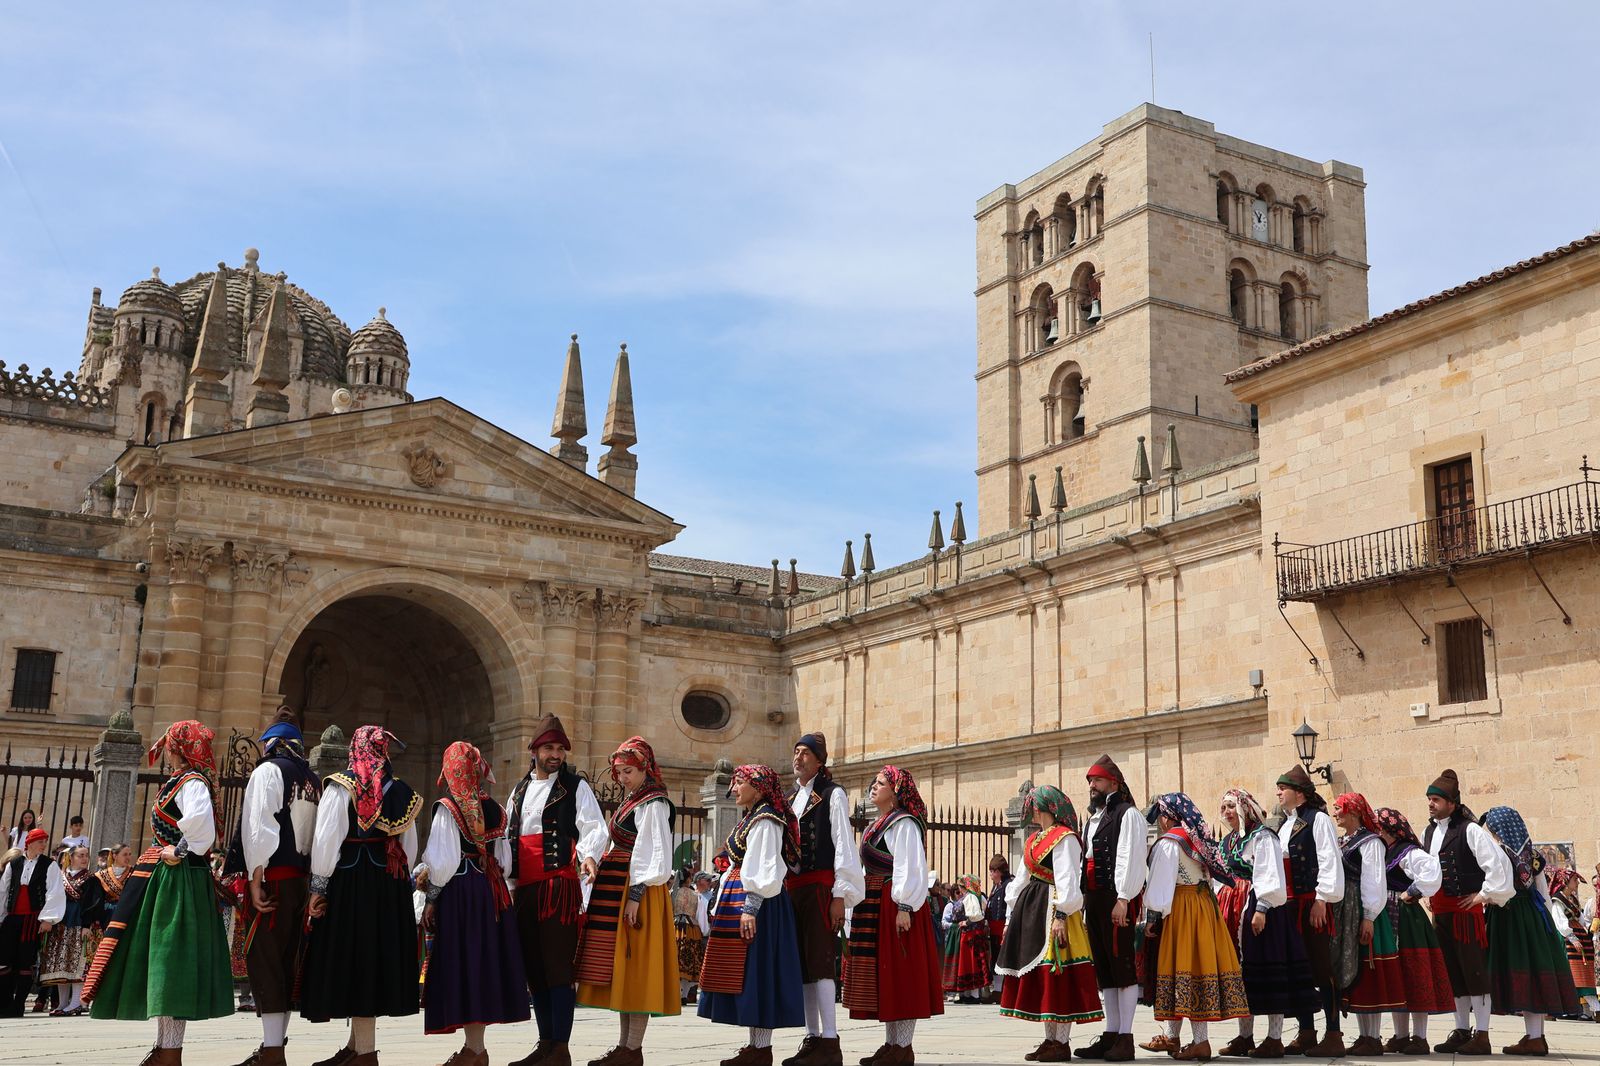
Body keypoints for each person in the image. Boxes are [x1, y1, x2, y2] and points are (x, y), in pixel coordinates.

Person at [83, 721, 233, 1065]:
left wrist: (177, 850)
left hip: (177, 881)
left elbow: (201, 826)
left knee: (172, 962)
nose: (165, 749)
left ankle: (170, 1053)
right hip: (168, 879)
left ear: (179, 747)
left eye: (169, 743)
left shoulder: (192, 782)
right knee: (164, 964)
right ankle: (165, 1049)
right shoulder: (182, 780)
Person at [300, 725, 421, 1066]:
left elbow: (326, 840)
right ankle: (356, 1048)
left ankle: (365, 1054)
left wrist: (318, 886)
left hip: (351, 884)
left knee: (358, 961)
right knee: (372, 962)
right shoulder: (400, 792)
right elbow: (409, 847)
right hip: (388, 886)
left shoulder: (341, 787)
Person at [502, 715, 606, 1066]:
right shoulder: (518, 790)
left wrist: (589, 856)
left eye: (560, 749)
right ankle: (545, 1044)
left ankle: (560, 1048)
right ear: (534, 750)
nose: (556, 754)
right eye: (549, 747)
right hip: (524, 890)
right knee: (535, 970)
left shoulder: (576, 787)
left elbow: (593, 826)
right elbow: (508, 839)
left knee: (557, 968)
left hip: (558, 887)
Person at [420, 740, 530, 1066]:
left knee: (464, 965)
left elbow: (442, 863)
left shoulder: (448, 807)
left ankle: (475, 1051)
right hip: (492, 893)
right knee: (482, 966)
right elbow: (506, 861)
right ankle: (475, 1048)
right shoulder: (495, 808)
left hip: (461, 894)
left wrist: (431, 899)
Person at [576, 736, 679, 1066]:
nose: (622, 778)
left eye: (628, 771)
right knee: (622, 971)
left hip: (639, 894)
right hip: (618, 890)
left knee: (636, 968)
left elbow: (654, 856)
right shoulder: (633, 800)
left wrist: (635, 896)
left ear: (645, 769)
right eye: (619, 772)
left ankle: (632, 1049)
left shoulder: (654, 803)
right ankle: (624, 1047)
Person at [699, 764, 806, 1066]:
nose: (733, 789)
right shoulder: (753, 817)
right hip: (750, 903)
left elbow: (765, 865)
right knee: (748, 976)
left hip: (760, 906)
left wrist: (750, 908)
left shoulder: (766, 820)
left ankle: (761, 1049)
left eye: (739, 783)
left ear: (758, 788)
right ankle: (755, 1047)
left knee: (759, 973)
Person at [230, 709, 321, 1066]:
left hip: (273, 880)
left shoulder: (269, 771)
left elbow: (259, 826)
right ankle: (275, 1045)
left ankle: (272, 1052)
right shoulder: (313, 778)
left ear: (271, 744)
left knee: (265, 959)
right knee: (285, 961)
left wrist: (255, 877)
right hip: (300, 879)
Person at [841, 765, 943, 1066]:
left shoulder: (904, 824)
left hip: (895, 906)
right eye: (874, 782)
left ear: (896, 792)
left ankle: (903, 1046)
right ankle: (891, 1044)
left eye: (881, 782)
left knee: (901, 972)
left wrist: (904, 907)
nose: (874, 786)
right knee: (885, 975)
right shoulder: (879, 823)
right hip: (875, 902)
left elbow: (909, 867)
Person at [993, 785, 1102, 1062]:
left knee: (1058, 975)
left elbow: (1068, 877)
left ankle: (1061, 1042)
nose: (1030, 809)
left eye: (1033, 805)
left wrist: (1062, 915)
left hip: (1055, 910)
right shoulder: (1033, 840)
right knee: (1044, 976)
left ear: (1041, 807)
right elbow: (1020, 881)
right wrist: (1009, 918)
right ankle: (1049, 1039)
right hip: (1033, 912)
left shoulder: (1065, 838)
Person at [1141, 793, 1249, 1061]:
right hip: (1203, 907)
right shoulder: (1198, 839)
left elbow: (1161, 884)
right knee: (1195, 969)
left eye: (1162, 816)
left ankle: (1199, 1042)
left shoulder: (1170, 843)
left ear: (1168, 817)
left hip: (1183, 908)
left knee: (1183, 970)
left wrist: (1152, 917)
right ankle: (1173, 1036)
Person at [782, 731, 864, 1066]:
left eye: (804, 752)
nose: (798, 757)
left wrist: (839, 895)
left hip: (820, 887)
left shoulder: (832, 794)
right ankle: (811, 1037)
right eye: (796, 751)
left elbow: (843, 845)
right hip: (794, 889)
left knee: (821, 963)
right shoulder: (789, 799)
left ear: (819, 760)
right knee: (803, 966)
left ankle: (830, 1042)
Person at [1421, 768, 1512, 1055]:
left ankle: (1482, 1035)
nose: (1431, 803)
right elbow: (1429, 869)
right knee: (1453, 975)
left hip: (1465, 916)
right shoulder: (1429, 831)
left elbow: (1496, 865)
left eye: (1436, 799)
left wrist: (1483, 895)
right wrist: (1425, 892)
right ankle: (1461, 1030)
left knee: (1474, 973)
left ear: (1452, 802)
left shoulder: (1470, 830)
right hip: (1441, 914)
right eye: (1429, 799)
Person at [1479, 805, 1579, 1055]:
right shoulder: (1533, 856)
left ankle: (1492, 1035)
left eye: (1492, 828)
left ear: (1499, 829)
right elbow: (1543, 892)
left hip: (1507, 918)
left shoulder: (1498, 854)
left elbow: (1496, 890)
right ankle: (1535, 1036)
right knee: (1534, 973)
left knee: (1514, 973)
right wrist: (1548, 928)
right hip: (1534, 918)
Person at [1075, 754, 1146, 1062]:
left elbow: (1131, 857)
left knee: (1122, 965)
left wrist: (1123, 898)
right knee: (1104, 968)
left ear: (1114, 783)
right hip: (1094, 898)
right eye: (1090, 781)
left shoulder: (1127, 814)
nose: (1092, 785)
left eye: (1098, 780)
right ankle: (1111, 1033)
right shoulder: (1095, 818)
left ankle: (1126, 1037)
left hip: (1115, 898)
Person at [1272, 764, 1345, 1056]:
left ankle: (1333, 1034)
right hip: (1290, 907)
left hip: (1311, 904)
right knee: (1299, 970)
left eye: (1283, 788)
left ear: (1299, 793)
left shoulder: (1319, 820)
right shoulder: (1286, 824)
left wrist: (1321, 899)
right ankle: (1306, 1032)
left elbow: (1329, 860)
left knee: (1321, 967)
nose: (1278, 792)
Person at [1371, 807, 1454, 1053]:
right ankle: (1400, 1035)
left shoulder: (1408, 852)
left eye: (1378, 827)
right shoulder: (1383, 851)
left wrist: (1413, 892)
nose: (1376, 831)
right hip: (1387, 916)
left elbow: (1431, 871)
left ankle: (1420, 1037)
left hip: (1406, 918)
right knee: (1398, 975)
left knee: (1415, 973)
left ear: (1389, 829)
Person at [1329, 792, 1404, 1055]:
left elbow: (1373, 880)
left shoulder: (1371, 842)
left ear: (1352, 811)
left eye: (1338, 808)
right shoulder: (1344, 840)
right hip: (1345, 911)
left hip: (1363, 910)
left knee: (1368, 970)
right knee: (1355, 971)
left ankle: (1372, 1038)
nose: (1335, 812)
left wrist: (1369, 916)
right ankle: (1363, 1036)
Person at [1212, 789, 1262, 1056]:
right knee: (1237, 971)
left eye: (1232, 806)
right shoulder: (1227, 841)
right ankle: (1245, 1035)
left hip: (1250, 899)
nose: (1227, 811)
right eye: (1225, 807)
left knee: (1254, 966)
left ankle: (1270, 1035)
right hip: (1228, 901)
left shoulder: (1257, 836)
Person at [0, 827, 64, 1016]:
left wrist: (47, 919)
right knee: (4, 961)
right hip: (12, 918)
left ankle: (18, 1005)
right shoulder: (14, 864)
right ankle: (4, 1002)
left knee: (25, 962)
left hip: (32, 919)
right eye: (40, 841)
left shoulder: (49, 865)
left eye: (45, 841)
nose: (43, 845)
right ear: (29, 843)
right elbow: (4, 891)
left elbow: (54, 892)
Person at [40, 844, 101, 1015]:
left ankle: (76, 1002)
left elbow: (92, 904)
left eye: (86, 855)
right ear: (71, 858)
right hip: (62, 923)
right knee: (61, 963)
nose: (84, 859)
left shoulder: (91, 879)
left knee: (77, 964)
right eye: (80, 855)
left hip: (79, 923)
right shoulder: (61, 877)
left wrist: (86, 925)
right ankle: (62, 1003)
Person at [1546, 867, 1599, 1016]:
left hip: (1580, 937)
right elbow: (1560, 922)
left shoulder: (1572, 899)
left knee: (1583, 971)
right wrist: (1573, 937)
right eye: (1575, 880)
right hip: (1567, 939)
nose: (1577, 883)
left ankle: (1584, 1008)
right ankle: (1586, 1008)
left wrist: (1589, 929)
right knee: (1573, 972)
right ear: (1565, 881)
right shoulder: (1557, 900)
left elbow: (1581, 919)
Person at [946, 875, 991, 1004]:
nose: (959, 888)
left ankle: (974, 995)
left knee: (972, 963)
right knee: (966, 963)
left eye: (960, 885)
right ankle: (966, 994)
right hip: (967, 934)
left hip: (972, 934)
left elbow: (976, 915)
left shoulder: (970, 897)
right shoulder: (968, 897)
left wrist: (967, 922)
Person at [674, 867, 709, 1005]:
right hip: (692, 929)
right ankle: (684, 994)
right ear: (689, 879)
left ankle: (678, 992)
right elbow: (701, 916)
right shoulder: (696, 896)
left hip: (675, 928)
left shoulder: (673, 893)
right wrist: (705, 931)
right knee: (690, 961)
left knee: (676, 960)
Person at [985, 855, 1013, 1004]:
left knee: (1004, 960)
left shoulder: (1008, 885)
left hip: (1003, 928)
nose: (990, 874)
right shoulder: (997, 886)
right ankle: (997, 990)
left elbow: (1009, 907)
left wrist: (1007, 926)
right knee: (995, 960)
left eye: (992, 871)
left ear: (999, 871)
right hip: (994, 929)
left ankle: (1004, 991)